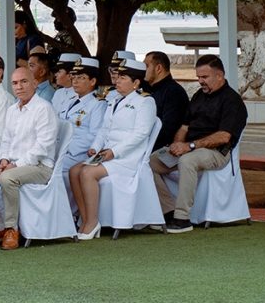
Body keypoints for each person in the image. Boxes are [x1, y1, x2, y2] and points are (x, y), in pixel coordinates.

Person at [150, 54, 248, 233]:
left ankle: (182, 219)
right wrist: (177, 145)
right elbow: (184, 127)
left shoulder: (232, 101)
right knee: (149, 163)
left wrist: (190, 146)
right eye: (198, 77)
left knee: (187, 161)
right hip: (189, 148)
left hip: (216, 153)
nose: (200, 81)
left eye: (205, 77)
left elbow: (224, 136)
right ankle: (168, 211)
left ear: (219, 76)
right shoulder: (198, 96)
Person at [0, 65, 59, 250]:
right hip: (13, 165)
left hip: (40, 167)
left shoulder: (43, 108)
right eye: (15, 83)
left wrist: (16, 165)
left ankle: (11, 229)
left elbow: (43, 147)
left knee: (7, 177)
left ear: (35, 83)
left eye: (24, 82)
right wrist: (4, 159)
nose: (19, 87)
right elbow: (6, 140)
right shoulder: (12, 110)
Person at [69, 59, 156, 240]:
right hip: (108, 154)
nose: (117, 81)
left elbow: (140, 134)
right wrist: (95, 147)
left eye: (123, 78)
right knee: (74, 171)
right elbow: (104, 129)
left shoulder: (145, 102)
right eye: (118, 76)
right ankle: (85, 219)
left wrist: (115, 152)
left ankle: (93, 222)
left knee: (87, 173)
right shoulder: (114, 100)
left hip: (128, 158)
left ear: (136, 82)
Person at [58, 58, 107, 181]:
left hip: (79, 154)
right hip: (62, 149)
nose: (75, 81)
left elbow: (94, 135)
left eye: (81, 77)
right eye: (74, 77)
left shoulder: (98, 104)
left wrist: (66, 148)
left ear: (92, 81)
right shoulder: (71, 100)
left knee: (51, 168)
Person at [144, 51, 189, 151]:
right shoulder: (149, 88)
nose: (143, 70)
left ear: (158, 68)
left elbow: (167, 130)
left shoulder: (174, 92)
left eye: (146, 66)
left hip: (158, 148)